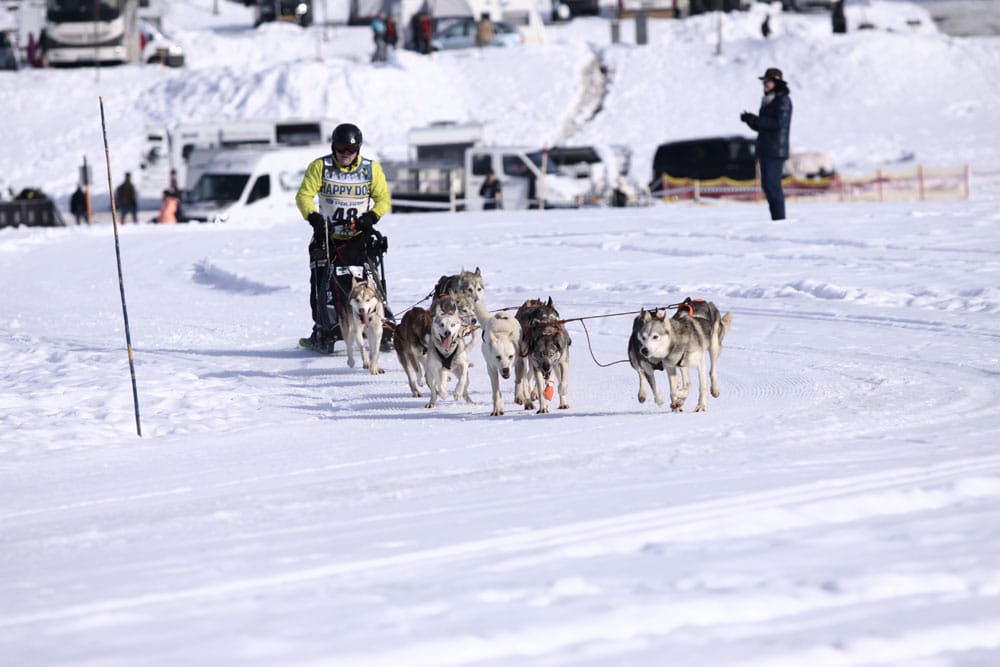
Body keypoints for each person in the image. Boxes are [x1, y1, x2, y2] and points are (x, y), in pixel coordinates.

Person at [295, 123, 393, 354]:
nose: (345, 154)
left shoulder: (371, 169)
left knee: (368, 285)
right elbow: (304, 196)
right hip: (328, 238)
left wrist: (370, 217)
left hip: (359, 238)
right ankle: (323, 328)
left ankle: (381, 326)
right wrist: (314, 218)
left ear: (358, 149)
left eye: (350, 150)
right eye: (340, 149)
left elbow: (383, 199)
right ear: (333, 147)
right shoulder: (320, 167)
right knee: (321, 285)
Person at [740, 67, 792, 221]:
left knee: (772, 185)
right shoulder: (769, 100)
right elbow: (764, 126)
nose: (765, 84)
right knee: (768, 186)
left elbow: (778, 123)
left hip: (775, 150)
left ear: (777, 82)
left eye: (768, 81)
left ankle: (779, 219)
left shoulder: (783, 100)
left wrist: (757, 120)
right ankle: (776, 218)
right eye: (764, 81)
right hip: (766, 148)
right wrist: (751, 121)